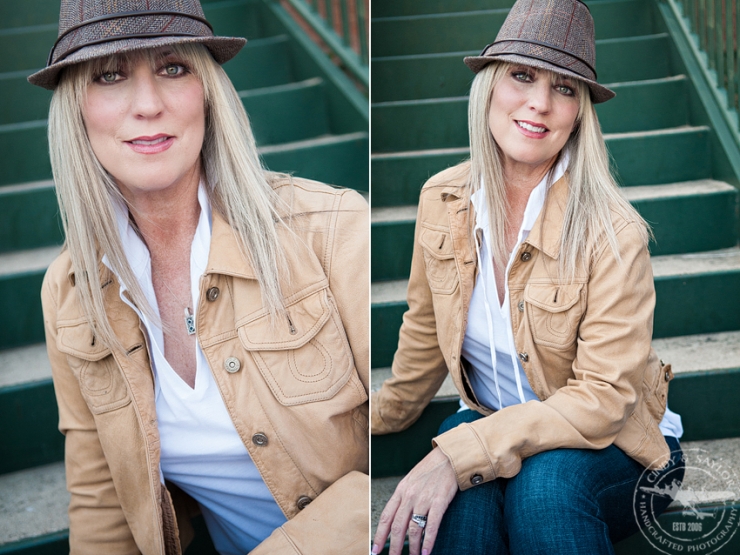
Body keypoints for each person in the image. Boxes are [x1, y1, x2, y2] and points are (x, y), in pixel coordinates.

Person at [31, 1, 369, 554]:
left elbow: (384, 463)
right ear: (76, 109)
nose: (148, 105)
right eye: (110, 76)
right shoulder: (69, 292)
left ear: (209, 92)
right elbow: (102, 500)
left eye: (173, 68)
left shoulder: (332, 230)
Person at [371, 1, 684, 554]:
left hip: (618, 446)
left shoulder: (614, 231)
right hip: (491, 419)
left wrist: (459, 450)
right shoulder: (441, 200)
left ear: (580, 112)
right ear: (489, 86)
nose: (539, 103)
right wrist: (374, 418)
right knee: (456, 516)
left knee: (543, 487)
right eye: (522, 75)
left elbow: (603, 400)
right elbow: (424, 330)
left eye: (565, 88)